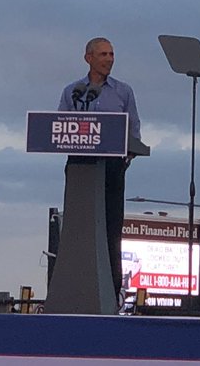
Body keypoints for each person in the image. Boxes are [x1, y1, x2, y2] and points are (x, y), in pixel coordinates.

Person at [58, 37, 142, 298]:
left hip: (111, 170)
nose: (109, 59)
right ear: (88, 58)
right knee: (78, 230)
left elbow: (134, 132)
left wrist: (125, 159)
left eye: (112, 54)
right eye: (103, 54)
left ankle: (111, 291)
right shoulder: (73, 92)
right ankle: (74, 290)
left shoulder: (123, 92)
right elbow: (59, 127)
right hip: (80, 168)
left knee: (110, 230)